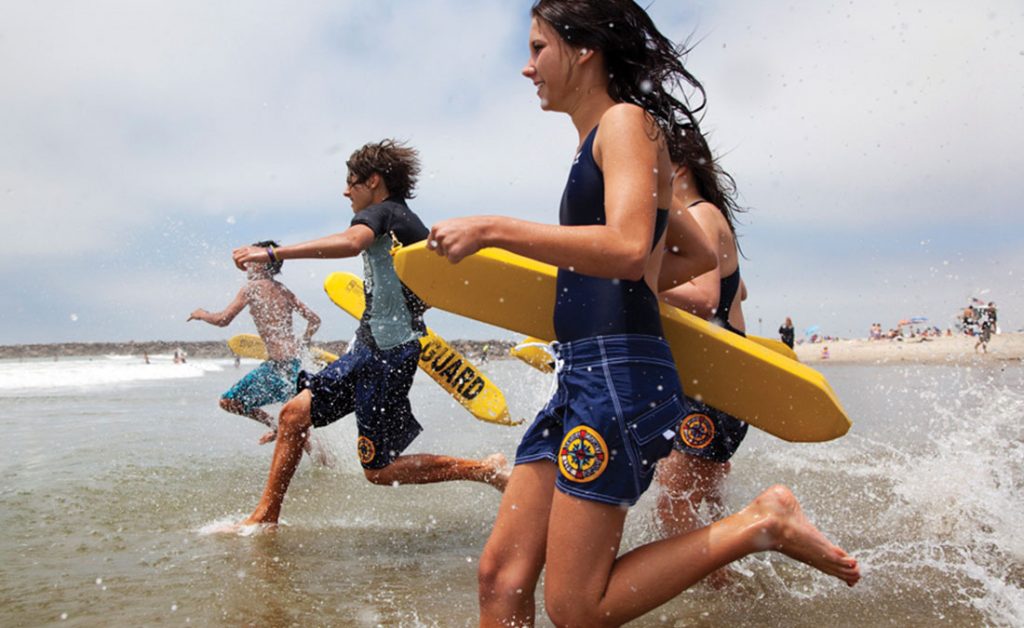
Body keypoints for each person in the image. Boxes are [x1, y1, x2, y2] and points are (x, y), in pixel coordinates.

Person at [426, 2, 859, 624]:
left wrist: (494, 229)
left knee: (577, 607)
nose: (527, 69)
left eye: (537, 49)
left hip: (618, 378)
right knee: (501, 576)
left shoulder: (626, 123)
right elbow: (696, 250)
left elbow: (630, 248)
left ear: (584, 51)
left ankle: (762, 522)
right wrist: (632, 282)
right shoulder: (600, 140)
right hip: (581, 376)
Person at [229, 140, 510, 530]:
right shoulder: (406, 224)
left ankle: (484, 469)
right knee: (294, 415)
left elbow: (351, 243)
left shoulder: (384, 213)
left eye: (352, 182)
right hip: (369, 346)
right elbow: (427, 290)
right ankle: (265, 517)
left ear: (374, 181)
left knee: (379, 470)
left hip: (389, 353)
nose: (346, 191)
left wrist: (275, 254)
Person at [654, 125, 752, 548]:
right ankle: (736, 594)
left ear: (678, 168)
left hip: (711, 386)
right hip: (723, 383)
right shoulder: (708, 219)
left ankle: (720, 599)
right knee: (706, 505)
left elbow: (706, 298)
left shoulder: (698, 214)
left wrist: (640, 282)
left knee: (671, 504)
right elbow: (738, 291)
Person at [188, 240, 322, 445]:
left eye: (252, 258)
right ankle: (326, 468)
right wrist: (303, 344)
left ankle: (275, 426)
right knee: (299, 431)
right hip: (294, 363)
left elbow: (223, 319)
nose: (247, 264)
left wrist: (201, 314)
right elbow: (314, 320)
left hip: (278, 366)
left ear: (263, 262)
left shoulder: (251, 289)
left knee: (229, 401)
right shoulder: (283, 289)